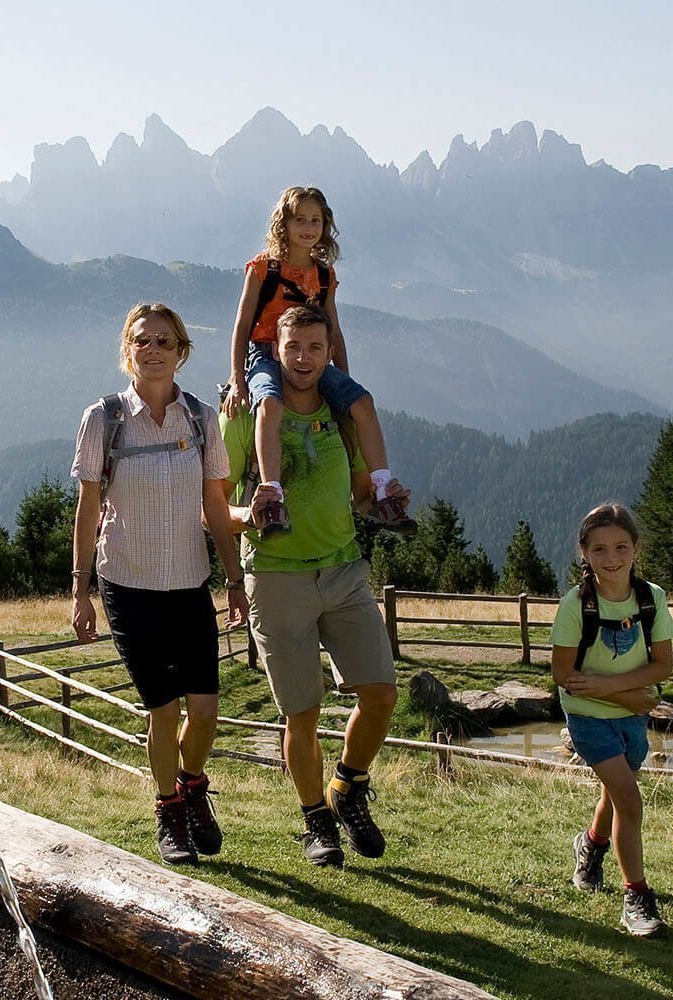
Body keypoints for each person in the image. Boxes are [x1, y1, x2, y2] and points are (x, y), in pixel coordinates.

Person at [222, 304, 411, 867]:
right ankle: (315, 821)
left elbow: (357, 491)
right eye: (293, 348)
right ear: (275, 352)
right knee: (301, 711)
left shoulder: (341, 413)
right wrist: (245, 515)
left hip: (344, 568)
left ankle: (348, 787)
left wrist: (381, 495)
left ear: (330, 354)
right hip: (277, 578)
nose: (303, 359)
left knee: (380, 693)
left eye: (315, 348)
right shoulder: (247, 414)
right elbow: (213, 503)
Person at [71, 302, 248, 866]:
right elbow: (86, 508)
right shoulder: (104, 419)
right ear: (128, 350)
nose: (152, 350)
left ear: (181, 352)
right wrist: (81, 592)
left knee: (206, 708)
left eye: (164, 342)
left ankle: (193, 785)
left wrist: (235, 580)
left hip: (190, 583)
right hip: (127, 584)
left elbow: (216, 505)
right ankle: (169, 809)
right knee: (164, 710)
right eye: (142, 341)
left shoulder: (199, 419)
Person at [219, 185, 413, 539]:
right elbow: (243, 325)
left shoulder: (324, 276)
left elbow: (333, 330)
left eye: (315, 221)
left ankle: (383, 489)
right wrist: (238, 378)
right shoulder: (263, 268)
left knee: (363, 402)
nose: (308, 228)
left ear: (325, 226)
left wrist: (344, 383)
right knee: (270, 405)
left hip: (315, 354)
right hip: (265, 352)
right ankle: (273, 492)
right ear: (284, 224)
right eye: (299, 220)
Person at [549, 503, 673, 937]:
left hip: (631, 716)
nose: (611, 557)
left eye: (621, 546)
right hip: (588, 715)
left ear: (636, 548)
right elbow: (564, 675)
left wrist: (614, 690)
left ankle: (592, 844)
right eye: (599, 549)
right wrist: (619, 693)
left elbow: (663, 666)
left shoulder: (651, 598)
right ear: (583, 552)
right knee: (629, 797)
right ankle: (636, 898)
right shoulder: (575, 605)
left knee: (614, 792)